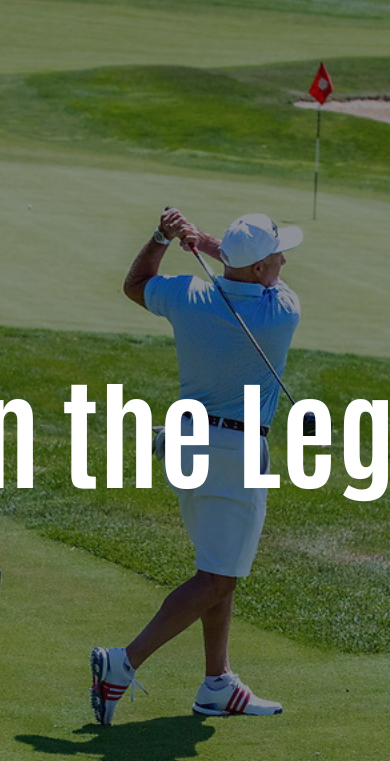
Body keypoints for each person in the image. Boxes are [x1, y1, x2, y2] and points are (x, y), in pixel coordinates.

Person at [90, 208, 303, 723]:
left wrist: (164, 237)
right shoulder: (283, 311)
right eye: (277, 255)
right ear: (259, 268)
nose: (283, 261)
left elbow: (136, 283)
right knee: (217, 578)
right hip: (233, 454)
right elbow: (262, 278)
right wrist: (206, 242)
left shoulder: (189, 295)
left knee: (217, 565)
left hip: (184, 444)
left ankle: (217, 684)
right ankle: (122, 663)